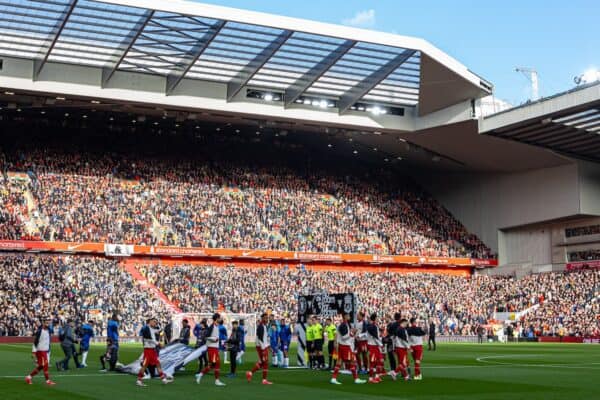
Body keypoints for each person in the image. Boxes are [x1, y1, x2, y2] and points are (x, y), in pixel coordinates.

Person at [330, 312, 366, 385]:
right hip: (345, 346)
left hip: (343, 346)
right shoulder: (343, 325)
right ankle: (356, 379)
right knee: (352, 361)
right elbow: (344, 337)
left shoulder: (345, 324)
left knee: (339, 362)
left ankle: (334, 378)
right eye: (348, 315)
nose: (349, 316)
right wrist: (352, 333)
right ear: (345, 316)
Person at [136, 318, 173, 387]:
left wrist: (161, 329)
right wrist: (158, 344)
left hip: (152, 350)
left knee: (158, 364)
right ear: (150, 321)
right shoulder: (146, 328)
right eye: (154, 322)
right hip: (148, 350)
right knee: (144, 366)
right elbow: (150, 339)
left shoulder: (151, 328)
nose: (155, 323)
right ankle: (139, 380)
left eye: (156, 322)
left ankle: (164, 380)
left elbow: (158, 331)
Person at [196, 313, 226, 386]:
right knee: (217, 364)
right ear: (217, 319)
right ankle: (217, 381)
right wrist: (214, 339)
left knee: (213, 365)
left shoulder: (216, 326)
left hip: (214, 348)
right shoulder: (212, 326)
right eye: (219, 318)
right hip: (212, 349)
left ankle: (200, 374)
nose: (220, 319)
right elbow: (206, 337)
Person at [25, 318, 56, 386]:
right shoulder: (40, 331)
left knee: (41, 366)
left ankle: (28, 377)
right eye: (46, 323)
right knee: (45, 366)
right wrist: (33, 352)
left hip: (45, 351)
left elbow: (52, 331)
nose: (48, 324)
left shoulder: (48, 330)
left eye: (49, 323)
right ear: (43, 323)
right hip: (40, 351)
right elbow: (35, 342)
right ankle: (48, 381)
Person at [246, 312, 273, 385]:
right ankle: (264, 380)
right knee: (265, 363)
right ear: (262, 318)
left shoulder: (264, 326)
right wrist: (264, 349)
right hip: (261, 347)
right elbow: (260, 339)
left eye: (267, 318)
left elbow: (264, 338)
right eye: (265, 318)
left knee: (261, 362)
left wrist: (268, 346)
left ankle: (250, 373)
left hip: (262, 346)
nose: (267, 319)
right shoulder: (261, 326)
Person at [366, 313, 385, 384]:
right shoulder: (372, 326)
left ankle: (377, 376)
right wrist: (381, 344)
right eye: (377, 318)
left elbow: (376, 336)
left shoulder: (373, 326)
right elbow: (375, 337)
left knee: (379, 361)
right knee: (372, 363)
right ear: (374, 319)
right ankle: (371, 378)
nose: (378, 319)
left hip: (375, 346)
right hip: (373, 346)